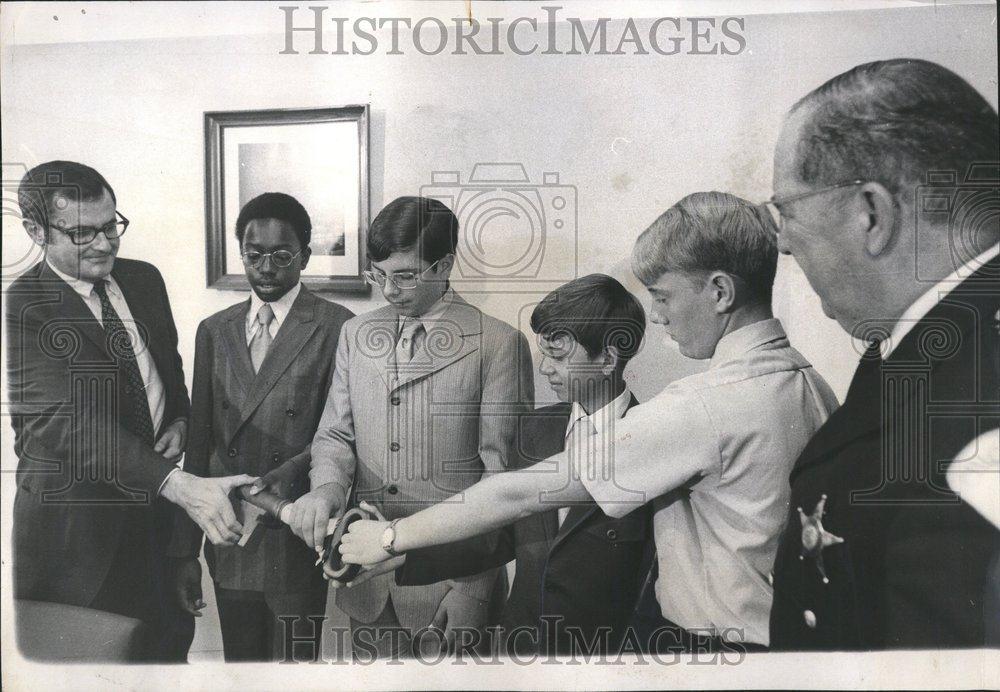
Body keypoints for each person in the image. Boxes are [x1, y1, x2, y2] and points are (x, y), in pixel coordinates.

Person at [338, 191, 839, 652]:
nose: (659, 317)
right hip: (778, 643)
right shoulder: (812, 385)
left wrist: (388, 539)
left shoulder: (703, 406)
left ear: (720, 291)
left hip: (706, 649)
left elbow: (516, 494)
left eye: (662, 296)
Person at [765, 58, 1000, 650]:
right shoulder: (924, 353)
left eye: (786, 211)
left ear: (872, 213)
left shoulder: (975, 418)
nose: (784, 245)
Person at [6, 161, 256, 661]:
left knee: (166, 660)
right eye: (82, 233)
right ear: (35, 230)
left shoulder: (143, 279)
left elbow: (168, 370)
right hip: (80, 542)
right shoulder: (24, 304)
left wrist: (181, 419)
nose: (104, 244)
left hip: (159, 534)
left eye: (110, 225)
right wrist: (179, 485)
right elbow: (67, 423)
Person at [285, 196, 534, 658]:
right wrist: (326, 491)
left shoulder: (499, 344)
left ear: (444, 265)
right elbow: (336, 436)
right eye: (378, 275)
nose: (388, 291)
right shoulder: (356, 334)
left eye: (404, 276)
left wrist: (473, 590)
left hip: (448, 590)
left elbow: (502, 486)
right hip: (361, 583)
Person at [384, 273, 651, 655]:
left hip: (604, 660)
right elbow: (499, 536)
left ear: (607, 358)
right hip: (520, 650)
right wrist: (400, 551)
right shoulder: (535, 431)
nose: (544, 369)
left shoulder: (654, 444)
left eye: (558, 356)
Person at [166, 193, 353, 661]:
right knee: (241, 667)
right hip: (230, 533)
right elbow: (201, 441)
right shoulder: (215, 328)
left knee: (295, 670)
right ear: (241, 255)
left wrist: (283, 482)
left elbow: (341, 433)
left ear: (305, 256)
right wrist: (184, 551)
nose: (266, 267)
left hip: (296, 529)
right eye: (254, 255)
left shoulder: (337, 326)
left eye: (282, 255)